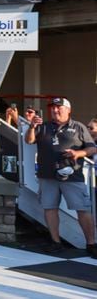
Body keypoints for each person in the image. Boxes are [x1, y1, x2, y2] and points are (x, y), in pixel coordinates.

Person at [25, 97, 97, 257]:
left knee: (83, 209)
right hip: (47, 176)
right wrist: (31, 126)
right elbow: (29, 141)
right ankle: (55, 242)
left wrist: (79, 153)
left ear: (68, 110)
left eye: (59, 108)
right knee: (50, 209)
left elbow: (92, 148)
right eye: (53, 108)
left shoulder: (78, 127)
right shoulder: (43, 126)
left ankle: (91, 244)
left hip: (72, 176)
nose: (55, 110)